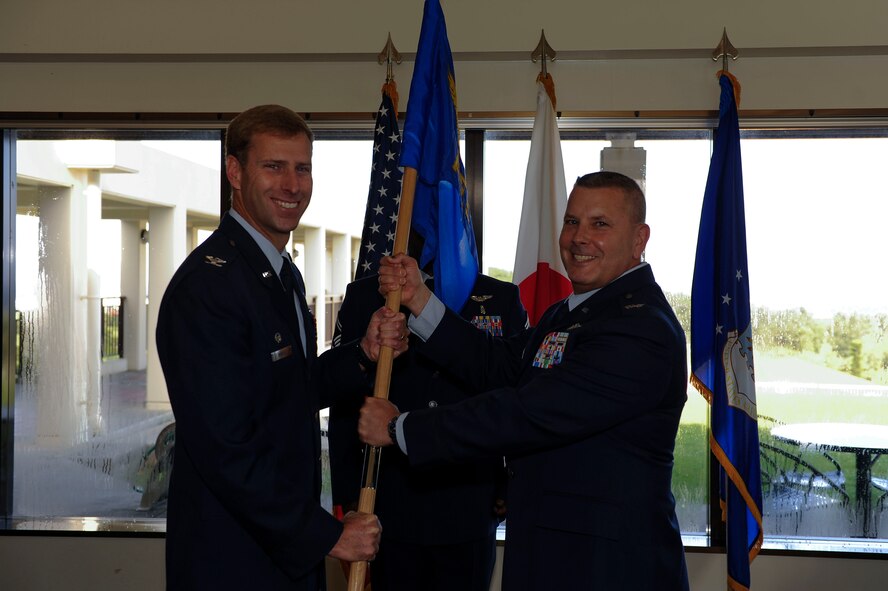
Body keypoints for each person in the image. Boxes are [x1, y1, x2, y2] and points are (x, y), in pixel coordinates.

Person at [359, 171, 690, 590]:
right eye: (572, 221)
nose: (579, 237)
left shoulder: (641, 328)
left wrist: (399, 428)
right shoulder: (568, 313)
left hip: (608, 567)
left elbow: (528, 413)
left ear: (640, 239)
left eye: (599, 224)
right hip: (550, 557)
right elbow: (499, 365)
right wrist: (419, 299)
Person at [155, 104, 408, 591]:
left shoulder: (278, 272)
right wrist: (326, 535)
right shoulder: (209, 288)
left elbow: (289, 388)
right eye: (274, 167)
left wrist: (364, 352)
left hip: (281, 557)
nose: (292, 185)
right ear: (235, 171)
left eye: (303, 168)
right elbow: (226, 448)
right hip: (232, 560)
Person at [328, 269, 527, 591]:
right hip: (390, 503)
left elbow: (515, 397)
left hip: (470, 499)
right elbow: (346, 401)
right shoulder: (365, 296)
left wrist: (510, 485)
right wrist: (348, 495)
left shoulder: (499, 296)